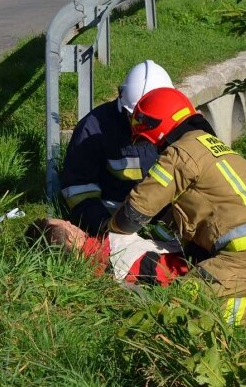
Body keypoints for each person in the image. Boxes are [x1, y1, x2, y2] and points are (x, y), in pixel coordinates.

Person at [109, 87, 246, 325]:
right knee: (199, 293)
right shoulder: (211, 146)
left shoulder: (180, 153)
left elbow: (136, 210)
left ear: (156, 129)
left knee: (184, 303)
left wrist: (108, 231)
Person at [45, 60, 187, 285]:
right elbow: (78, 189)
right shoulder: (95, 128)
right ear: (124, 104)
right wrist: (104, 226)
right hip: (115, 221)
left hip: (168, 221)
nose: (142, 126)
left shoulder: (177, 125)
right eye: (137, 117)